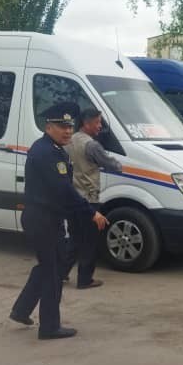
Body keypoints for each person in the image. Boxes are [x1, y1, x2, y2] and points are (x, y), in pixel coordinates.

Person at [10, 102, 108, 339]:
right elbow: (64, 191)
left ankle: (21, 310)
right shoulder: (48, 153)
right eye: (62, 126)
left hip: (44, 217)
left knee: (48, 266)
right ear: (48, 127)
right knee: (53, 272)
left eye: (70, 126)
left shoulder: (52, 149)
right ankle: (49, 327)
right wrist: (91, 212)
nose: (67, 131)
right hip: (43, 220)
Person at [62, 107, 123, 289]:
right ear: (86, 123)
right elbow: (112, 165)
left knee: (74, 237)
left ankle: (60, 273)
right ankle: (85, 279)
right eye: (97, 122)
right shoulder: (92, 145)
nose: (99, 126)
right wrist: (119, 164)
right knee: (90, 241)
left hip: (72, 197)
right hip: (89, 199)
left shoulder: (69, 140)